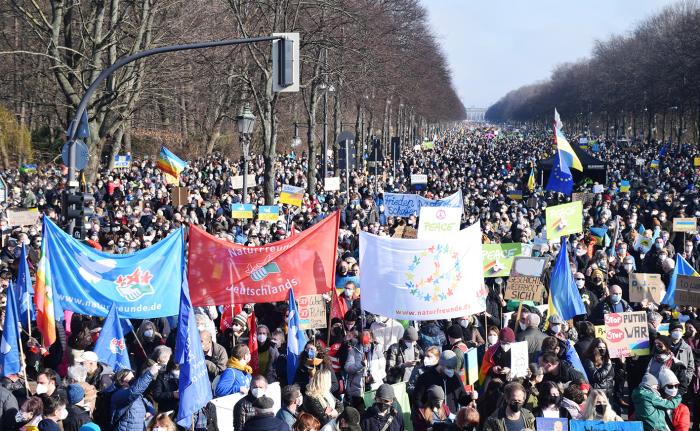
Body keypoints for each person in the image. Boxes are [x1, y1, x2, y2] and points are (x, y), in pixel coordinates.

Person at [110, 364, 160, 431]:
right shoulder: (118, 394)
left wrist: (150, 412)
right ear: (121, 381)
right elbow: (133, 392)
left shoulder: (139, 395)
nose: (133, 379)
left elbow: (148, 405)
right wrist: (149, 374)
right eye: (130, 378)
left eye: (133, 376)